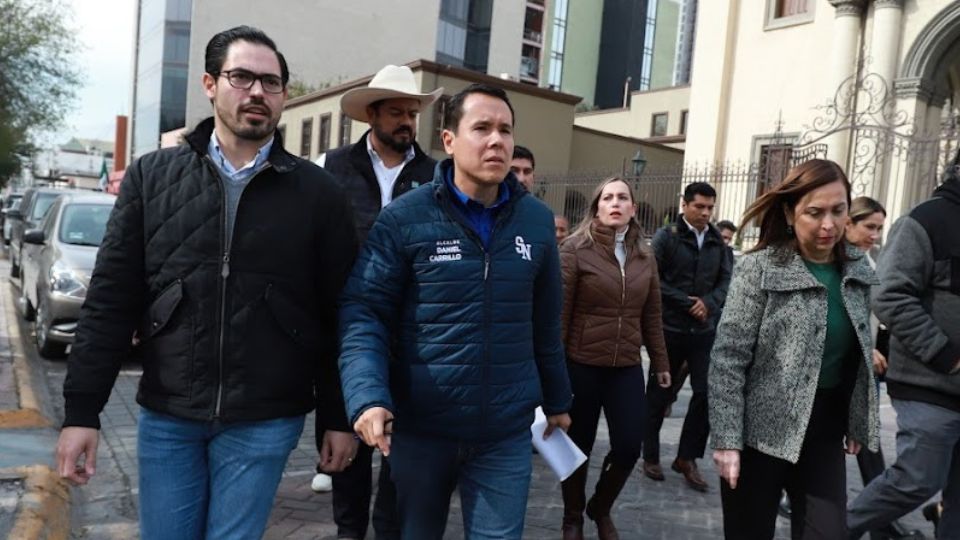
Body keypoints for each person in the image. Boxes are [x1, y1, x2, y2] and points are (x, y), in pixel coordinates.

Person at [55, 26, 359, 539]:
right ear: (210, 84)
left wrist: (339, 416)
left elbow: (341, 311)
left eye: (272, 82)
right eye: (242, 78)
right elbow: (109, 300)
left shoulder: (319, 193)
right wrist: (82, 412)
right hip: (169, 413)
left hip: (265, 417)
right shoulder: (152, 178)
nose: (258, 92)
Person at [337, 83, 573, 539]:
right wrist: (368, 396)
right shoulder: (406, 218)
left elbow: (544, 322)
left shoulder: (537, 222)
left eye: (505, 130)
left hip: (504, 433)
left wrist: (559, 400)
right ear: (448, 140)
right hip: (422, 429)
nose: (496, 140)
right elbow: (364, 312)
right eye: (481, 128)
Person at [709, 159, 880, 539]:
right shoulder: (760, 269)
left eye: (839, 211)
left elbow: (856, 350)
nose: (829, 225)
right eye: (814, 213)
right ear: (789, 213)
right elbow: (728, 358)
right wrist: (726, 441)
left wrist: (857, 416)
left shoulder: (856, 270)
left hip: (823, 430)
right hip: (760, 433)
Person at [313, 63, 442, 540]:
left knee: (399, 456)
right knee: (346, 448)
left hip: (413, 336)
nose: (407, 121)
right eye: (396, 112)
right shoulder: (332, 168)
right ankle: (349, 531)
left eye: (412, 112)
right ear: (372, 115)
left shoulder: (436, 177)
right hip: (347, 328)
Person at [847, 151, 960, 539]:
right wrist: (949, 356)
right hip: (931, 384)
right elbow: (891, 296)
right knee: (917, 480)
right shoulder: (925, 220)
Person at [558, 177, 671, 540]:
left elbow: (652, 314)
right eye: (608, 198)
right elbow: (559, 315)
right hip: (580, 364)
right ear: (597, 208)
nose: (616, 203)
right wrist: (553, 371)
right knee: (577, 447)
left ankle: (600, 508)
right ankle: (572, 516)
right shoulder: (575, 250)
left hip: (625, 366)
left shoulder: (645, 255)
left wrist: (662, 362)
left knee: (628, 446)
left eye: (623, 197)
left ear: (633, 209)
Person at [642, 182, 732, 492]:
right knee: (658, 394)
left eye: (710, 208)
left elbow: (726, 281)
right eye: (700, 207)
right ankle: (650, 455)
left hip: (703, 331)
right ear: (685, 204)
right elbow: (653, 280)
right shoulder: (667, 237)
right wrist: (687, 302)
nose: (706, 213)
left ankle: (687, 458)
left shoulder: (719, 242)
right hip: (669, 328)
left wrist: (708, 303)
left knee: (707, 393)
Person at [843, 197, 923, 540]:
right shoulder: (839, 262)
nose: (875, 235)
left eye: (879, 228)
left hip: (865, 372)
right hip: (842, 369)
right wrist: (868, 347)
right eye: (869, 227)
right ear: (849, 224)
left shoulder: (870, 260)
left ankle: (879, 521)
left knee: (870, 441)